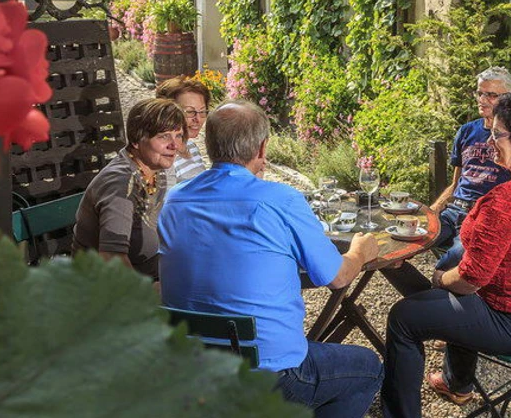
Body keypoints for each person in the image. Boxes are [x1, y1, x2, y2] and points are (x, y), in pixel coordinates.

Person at [158, 101, 383, 418]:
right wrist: (360, 251)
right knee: (368, 369)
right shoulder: (281, 199)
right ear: (262, 148)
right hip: (269, 378)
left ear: (209, 146)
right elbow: (337, 277)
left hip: (193, 370)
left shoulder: (175, 199)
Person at [381, 93, 511, 418]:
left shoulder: (507, 200)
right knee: (441, 290)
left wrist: (439, 278)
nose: (490, 141)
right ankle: (457, 382)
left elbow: (470, 281)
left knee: (404, 318)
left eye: (497, 134)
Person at [426, 67, 511, 271]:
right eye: (480, 93)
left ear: (507, 99)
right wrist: (431, 212)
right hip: (454, 212)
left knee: (448, 266)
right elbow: (456, 184)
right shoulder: (466, 131)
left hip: (485, 218)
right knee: (407, 240)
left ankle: (430, 297)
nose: (482, 99)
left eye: (491, 95)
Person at [73, 98, 184, 279]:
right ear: (136, 140)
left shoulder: (156, 170)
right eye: (164, 136)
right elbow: (111, 258)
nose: (174, 145)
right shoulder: (121, 183)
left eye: (178, 135)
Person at [155, 77, 212, 186]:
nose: (198, 119)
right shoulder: (164, 156)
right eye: (190, 112)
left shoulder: (191, 146)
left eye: (202, 111)